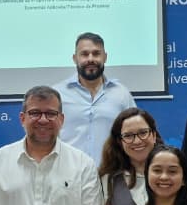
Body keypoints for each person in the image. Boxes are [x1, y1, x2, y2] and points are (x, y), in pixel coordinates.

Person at [53, 32, 136, 163]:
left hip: (111, 172)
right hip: (68, 172)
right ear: (75, 58)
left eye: (96, 53)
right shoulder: (57, 94)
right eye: (84, 54)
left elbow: (134, 134)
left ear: (105, 57)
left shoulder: (121, 94)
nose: (90, 59)